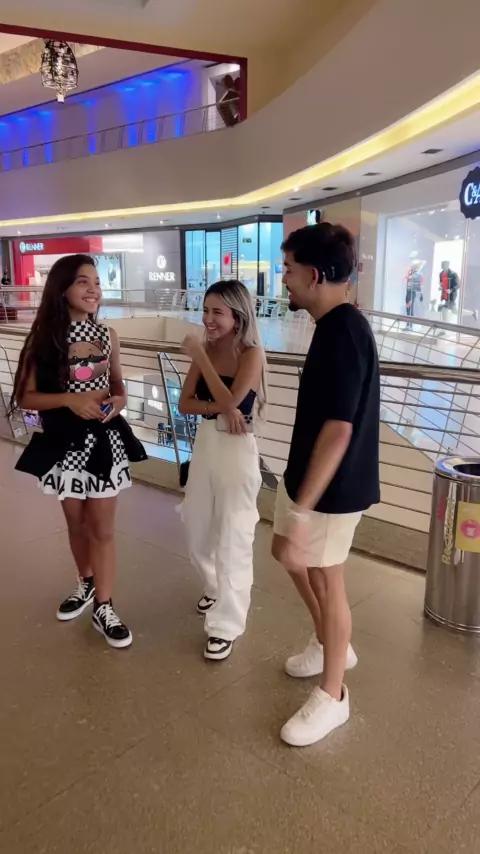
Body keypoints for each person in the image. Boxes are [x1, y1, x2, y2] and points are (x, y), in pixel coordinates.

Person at [272, 223, 380, 747]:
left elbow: (339, 431)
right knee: (288, 554)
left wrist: (303, 509)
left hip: (333, 489)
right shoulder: (331, 326)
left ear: (314, 276)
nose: (283, 279)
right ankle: (328, 641)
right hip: (308, 478)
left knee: (328, 577)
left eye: (288, 269)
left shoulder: (344, 333)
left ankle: (333, 694)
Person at [11, 254, 147, 649]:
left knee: (102, 528)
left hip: (103, 440)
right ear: (62, 289)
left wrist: (119, 400)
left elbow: (118, 385)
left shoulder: (108, 335)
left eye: (97, 282)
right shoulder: (43, 339)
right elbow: (25, 396)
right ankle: (86, 583)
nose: (93, 289)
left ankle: (105, 605)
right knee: (76, 524)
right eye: (83, 281)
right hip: (63, 443)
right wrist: (70, 400)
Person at [179, 280, 266, 661]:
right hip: (206, 443)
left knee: (234, 535)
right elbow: (185, 404)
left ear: (238, 317)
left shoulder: (252, 353)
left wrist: (201, 359)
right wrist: (221, 409)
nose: (208, 319)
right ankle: (214, 586)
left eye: (217, 312)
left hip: (236, 450)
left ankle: (226, 625)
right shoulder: (208, 350)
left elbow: (235, 400)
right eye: (206, 310)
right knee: (196, 527)